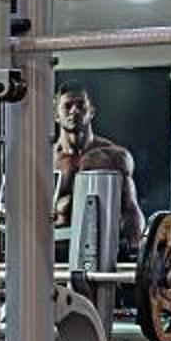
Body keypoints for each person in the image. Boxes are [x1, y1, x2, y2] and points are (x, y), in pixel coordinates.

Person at [54, 85, 147, 258]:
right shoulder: (47, 160)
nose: (74, 111)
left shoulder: (115, 156)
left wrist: (135, 249)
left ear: (91, 112)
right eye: (67, 106)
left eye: (81, 105)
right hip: (55, 256)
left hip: (102, 253)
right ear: (56, 115)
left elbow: (130, 208)